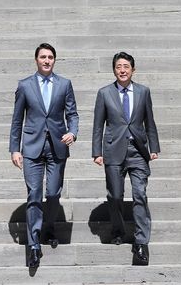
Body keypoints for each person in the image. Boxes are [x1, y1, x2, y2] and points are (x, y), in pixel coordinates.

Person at [10, 43, 79, 269]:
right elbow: (17, 119)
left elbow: (73, 114)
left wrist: (73, 132)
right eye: (43, 57)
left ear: (54, 60)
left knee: (53, 193)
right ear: (36, 60)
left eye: (50, 57)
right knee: (34, 194)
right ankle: (34, 245)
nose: (47, 60)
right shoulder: (25, 86)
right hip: (31, 147)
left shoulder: (64, 84)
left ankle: (49, 227)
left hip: (57, 146)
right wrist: (15, 148)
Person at [92, 52, 160, 266]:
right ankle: (118, 230)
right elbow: (97, 125)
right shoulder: (104, 93)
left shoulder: (143, 92)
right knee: (115, 195)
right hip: (113, 150)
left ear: (133, 69)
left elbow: (150, 121)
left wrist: (154, 146)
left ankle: (141, 243)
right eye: (118, 66)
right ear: (114, 70)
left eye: (126, 66)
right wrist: (97, 151)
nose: (122, 70)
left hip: (138, 150)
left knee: (139, 194)